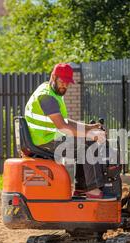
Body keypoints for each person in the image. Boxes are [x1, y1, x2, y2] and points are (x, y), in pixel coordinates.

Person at [24, 63, 115, 201]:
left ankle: (80, 189)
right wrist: (91, 135)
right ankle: (93, 190)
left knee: (85, 141)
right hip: (44, 141)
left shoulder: (50, 90)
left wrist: (89, 128)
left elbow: (65, 122)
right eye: (62, 81)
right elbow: (62, 126)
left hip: (45, 138)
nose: (64, 86)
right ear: (53, 77)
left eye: (67, 83)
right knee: (89, 145)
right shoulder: (47, 97)